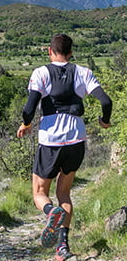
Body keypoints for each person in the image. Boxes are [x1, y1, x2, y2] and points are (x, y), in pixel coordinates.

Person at [17, 34, 112, 261]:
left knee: (40, 193)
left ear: (49, 51)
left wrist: (26, 124)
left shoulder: (41, 73)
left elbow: (29, 107)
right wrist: (104, 121)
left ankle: (51, 212)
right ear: (70, 53)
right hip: (76, 139)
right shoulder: (83, 72)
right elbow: (106, 101)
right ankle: (63, 249)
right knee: (64, 193)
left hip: (50, 140)